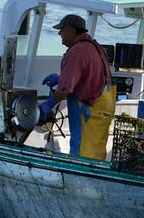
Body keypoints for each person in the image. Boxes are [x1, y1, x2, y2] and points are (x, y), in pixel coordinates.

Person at [39, 14, 115, 160]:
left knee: (82, 151)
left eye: (62, 29)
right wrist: (61, 78)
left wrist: (47, 106)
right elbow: (88, 75)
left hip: (88, 107)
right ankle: (95, 176)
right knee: (95, 148)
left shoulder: (76, 52)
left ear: (72, 30)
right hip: (103, 105)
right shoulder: (94, 47)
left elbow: (64, 90)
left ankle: (79, 178)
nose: (59, 33)